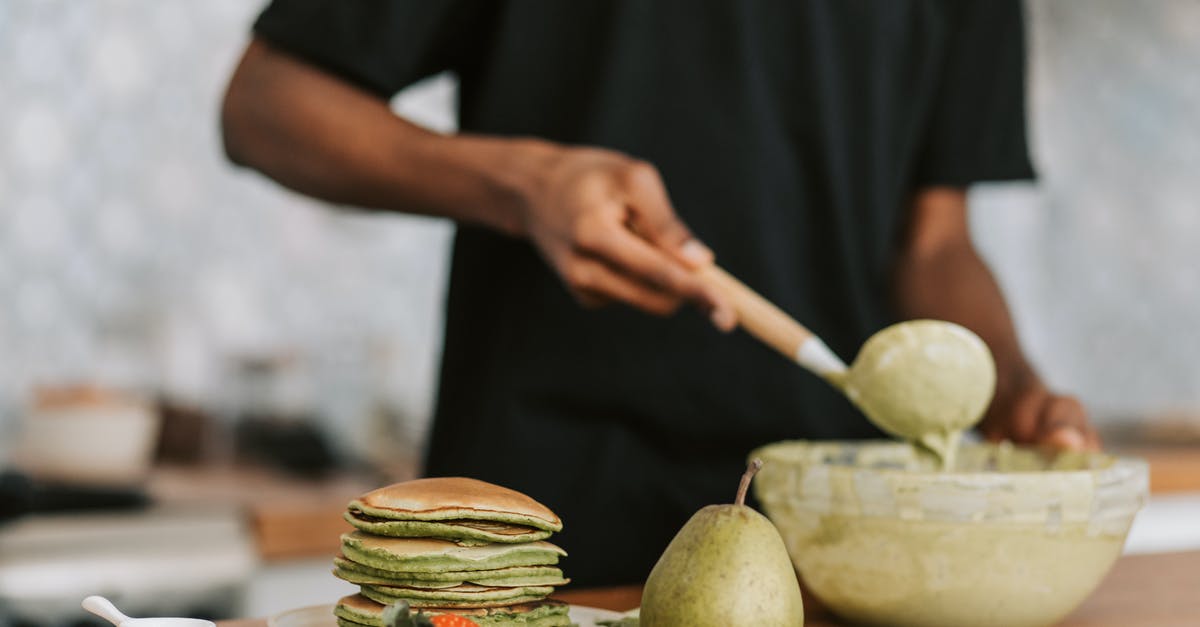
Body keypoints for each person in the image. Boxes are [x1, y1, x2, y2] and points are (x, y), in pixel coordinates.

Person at [222, 0, 1100, 586]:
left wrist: (1013, 389)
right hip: (535, 532)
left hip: (830, 545)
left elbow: (935, 240)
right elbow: (264, 103)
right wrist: (519, 182)